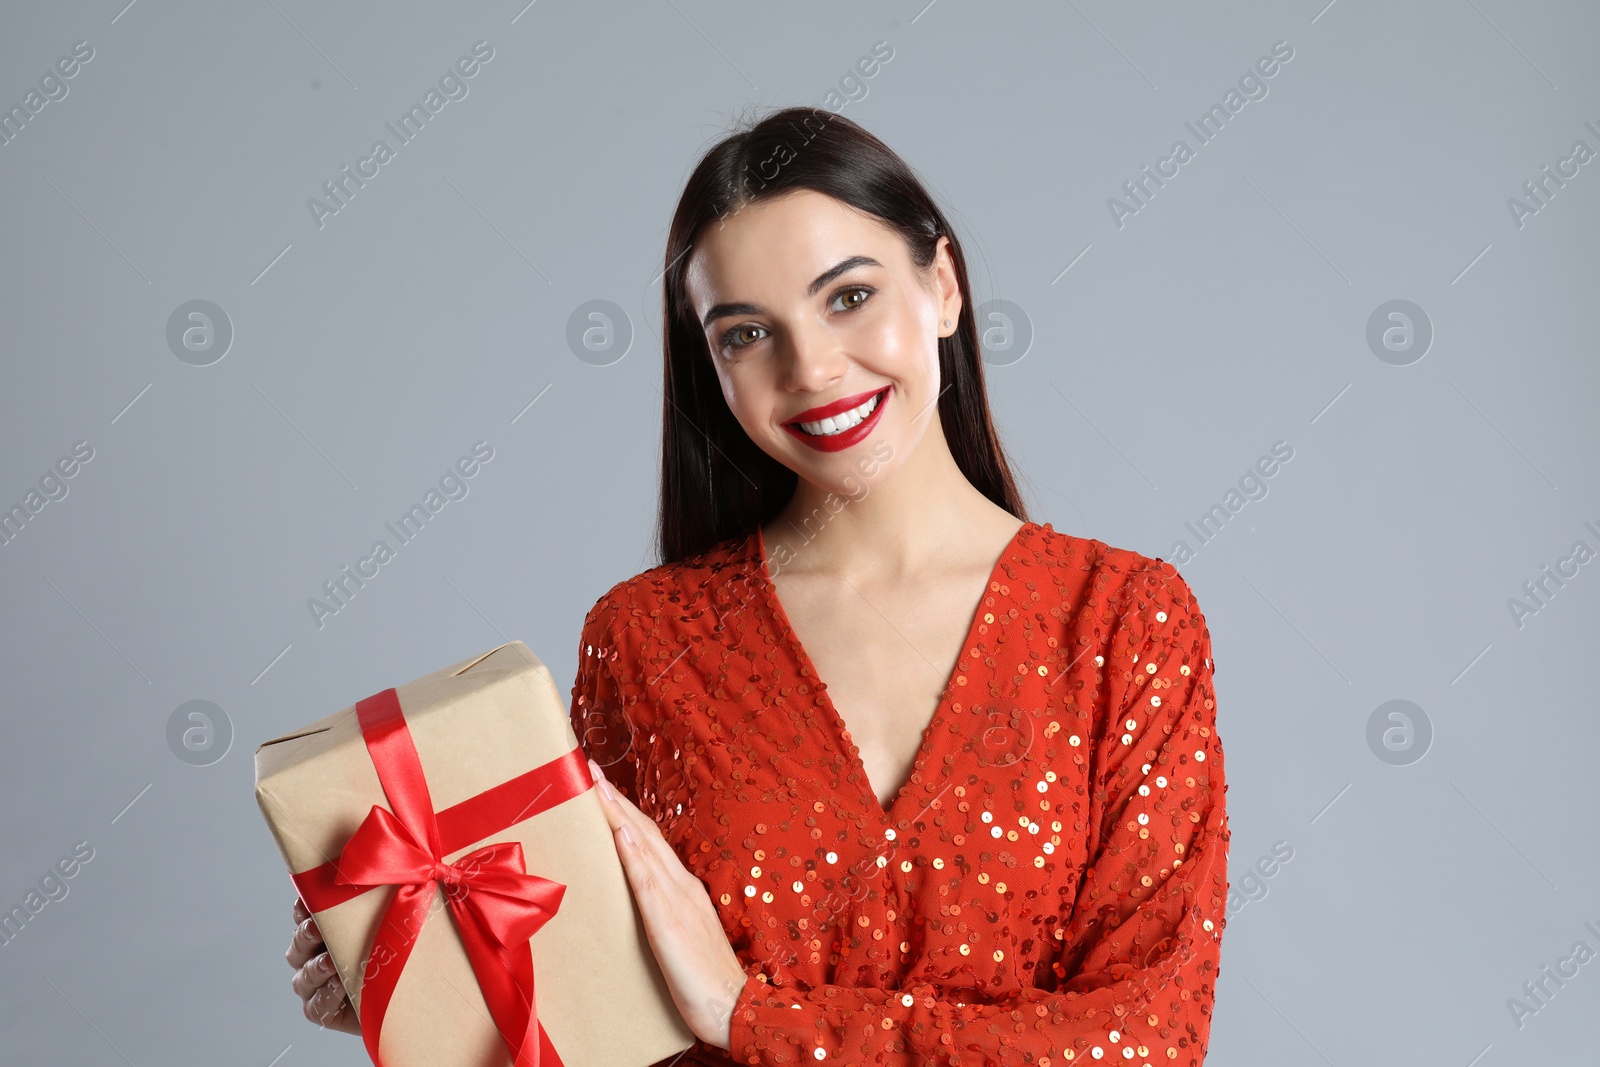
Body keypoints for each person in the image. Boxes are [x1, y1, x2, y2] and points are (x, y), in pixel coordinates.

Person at [288, 105, 1230, 1066]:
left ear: (941, 286)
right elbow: (613, 1024)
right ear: (711, 363)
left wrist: (755, 1018)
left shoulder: (1124, 622)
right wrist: (430, 981)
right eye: (746, 334)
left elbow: (1144, 1038)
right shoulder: (645, 638)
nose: (813, 368)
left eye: (849, 297)